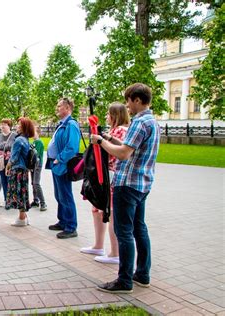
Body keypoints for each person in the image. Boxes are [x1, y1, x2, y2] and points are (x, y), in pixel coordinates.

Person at [91, 83, 160, 294]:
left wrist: (101, 141)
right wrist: (112, 139)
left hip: (127, 184)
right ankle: (142, 274)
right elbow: (130, 146)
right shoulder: (152, 121)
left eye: (129, 101)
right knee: (140, 228)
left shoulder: (139, 122)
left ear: (137, 100)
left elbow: (123, 154)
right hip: (143, 184)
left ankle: (124, 280)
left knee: (124, 232)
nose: (127, 106)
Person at [80, 102, 130, 264]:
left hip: (112, 176)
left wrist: (101, 142)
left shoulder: (121, 131)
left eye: (109, 114)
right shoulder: (114, 131)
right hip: (105, 177)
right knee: (98, 210)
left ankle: (115, 253)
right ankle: (99, 245)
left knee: (111, 213)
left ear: (115, 115)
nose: (107, 117)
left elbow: (115, 152)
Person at [46, 97, 81, 239]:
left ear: (67, 108)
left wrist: (59, 159)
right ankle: (62, 221)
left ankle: (71, 227)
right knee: (59, 194)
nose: (57, 108)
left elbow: (72, 147)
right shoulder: (62, 124)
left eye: (59, 106)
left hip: (63, 165)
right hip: (57, 165)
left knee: (65, 195)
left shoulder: (71, 125)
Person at [6, 117, 35, 226]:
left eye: (19, 125)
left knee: (18, 194)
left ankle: (22, 218)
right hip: (23, 171)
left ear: (24, 127)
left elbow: (13, 158)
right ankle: (24, 217)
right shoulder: (25, 139)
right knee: (23, 192)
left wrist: (7, 166)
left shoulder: (18, 140)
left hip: (17, 170)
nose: (17, 126)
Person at [0, 119, 17, 208]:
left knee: (10, 181)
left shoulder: (14, 136)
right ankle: (6, 199)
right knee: (3, 180)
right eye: (1, 124)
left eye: (5, 124)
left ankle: (12, 200)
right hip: (0, 162)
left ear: (9, 126)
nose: (2, 126)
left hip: (10, 162)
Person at [30, 125, 47, 211]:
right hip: (33, 165)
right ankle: (35, 200)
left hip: (37, 165)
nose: (32, 134)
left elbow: (38, 155)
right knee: (33, 183)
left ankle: (43, 202)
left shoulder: (39, 142)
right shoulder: (33, 142)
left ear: (38, 133)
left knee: (36, 183)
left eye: (34, 132)